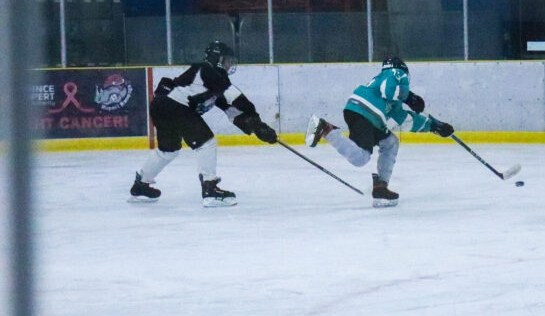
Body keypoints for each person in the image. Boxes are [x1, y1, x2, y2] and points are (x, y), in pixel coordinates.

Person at [128, 41, 279, 207]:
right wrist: (258, 121)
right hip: (175, 107)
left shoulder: (215, 83)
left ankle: (141, 185)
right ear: (217, 58)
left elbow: (233, 112)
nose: (230, 65)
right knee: (206, 143)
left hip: (162, 107)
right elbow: (238, 99)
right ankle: (210, 189)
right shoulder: (208, 69)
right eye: (227, 61)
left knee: (168, 150)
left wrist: (257, 128)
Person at [305, 56, 454, 207]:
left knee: (389, 143)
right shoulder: (395, 72)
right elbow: (388, 89)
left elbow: (406, 120)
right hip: (368, 111)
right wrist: (409, 97)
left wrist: (434, 126)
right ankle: (326, 129)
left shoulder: (391, 99)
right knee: (361, 158)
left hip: (366, 113)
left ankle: (381, 186)